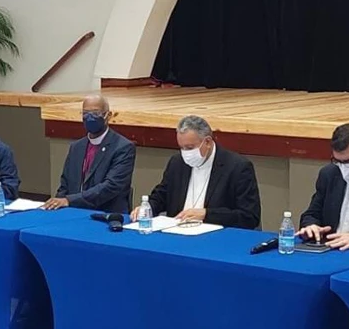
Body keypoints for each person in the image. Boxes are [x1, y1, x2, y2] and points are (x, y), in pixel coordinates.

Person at [130, 115, 261, 229]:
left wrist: (206, 214)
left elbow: (249, 216)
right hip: (176, 231)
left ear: (208, 142)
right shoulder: (177, 162)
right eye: (181, 148)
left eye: (190, 148)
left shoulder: (237, 167)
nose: (185, 153)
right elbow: (162, 195)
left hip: (216, 236)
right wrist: (148, 208)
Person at [43, 95, 136, 213]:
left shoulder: (123, 147)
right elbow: (65, 185)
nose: (90, 117)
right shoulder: (76, 147)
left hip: (106, 214)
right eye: (86, 113)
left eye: (96, 113)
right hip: (74, 212)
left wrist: (69, 201)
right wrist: (57, 205)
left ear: (108, 115)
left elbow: (110, 187)